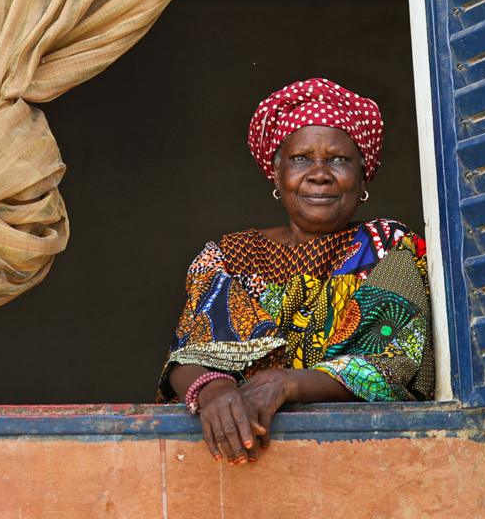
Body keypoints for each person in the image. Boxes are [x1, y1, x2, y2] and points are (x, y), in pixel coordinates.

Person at [158, 78, 434, 465]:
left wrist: (285, 382)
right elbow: (187, 356)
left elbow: (393, 363)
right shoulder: (227, 256)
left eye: (338, 159)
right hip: (237, 464)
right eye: (301, 158)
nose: (319, 173)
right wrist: (213, 390)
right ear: (276, 174)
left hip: (359, 460)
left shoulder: (389, 248)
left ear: (363, 174)